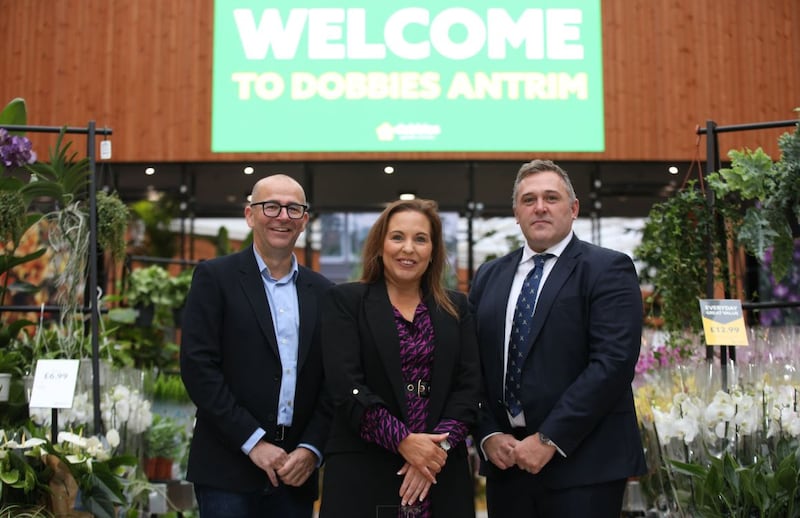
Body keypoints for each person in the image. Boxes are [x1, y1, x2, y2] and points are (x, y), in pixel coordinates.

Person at [469, 160, 647, 517]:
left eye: (551, 197)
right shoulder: (488, 276)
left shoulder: (607, 269)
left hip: (584, 466)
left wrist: (549, 438)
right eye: (528, 199)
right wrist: (487, 435)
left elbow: (612, 364)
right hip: (508, 466)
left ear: (574, 208)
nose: (540, 207)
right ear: (516, 213)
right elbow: (471, 365)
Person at [180, 174, 333, 518]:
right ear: (250, 215)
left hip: (296, 471)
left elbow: (331, 381)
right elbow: (198, 367)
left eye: (294, 208)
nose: (282, 216)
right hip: (227, 467)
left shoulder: (323, 292)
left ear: (305, 221)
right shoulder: (214, 278)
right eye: (271, 206)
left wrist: (311, 449)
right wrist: (253, 442)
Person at [319, 199, 482, 518]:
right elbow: (346, 385)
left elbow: (471, 389)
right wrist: (404, 441)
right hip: (364, 472)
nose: (408, 248)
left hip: (442, 473)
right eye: (397, 237)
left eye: (420, 239)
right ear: (380, 245)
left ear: (433, 250)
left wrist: (433, 452)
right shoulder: (345, 302)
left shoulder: (457, 308)